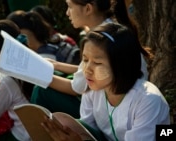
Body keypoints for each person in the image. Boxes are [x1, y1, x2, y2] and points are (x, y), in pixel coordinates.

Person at [41, 22, 170, 141]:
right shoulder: (92, 89)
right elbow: (88, 133)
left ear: (120, 64)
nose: (87, 70)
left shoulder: (148, 100)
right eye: (85, 60)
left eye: (97, 63)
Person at [30, 0, 151, 118]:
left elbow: (76, 88)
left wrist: (36, 73)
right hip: (114, 100)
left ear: (88, 8)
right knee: (55, 73)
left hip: (118, 109)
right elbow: (86, 70)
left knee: (41, 91)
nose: (67, 13)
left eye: (70, 6)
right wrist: (56, 65)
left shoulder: (100, 39)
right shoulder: (109, 30)